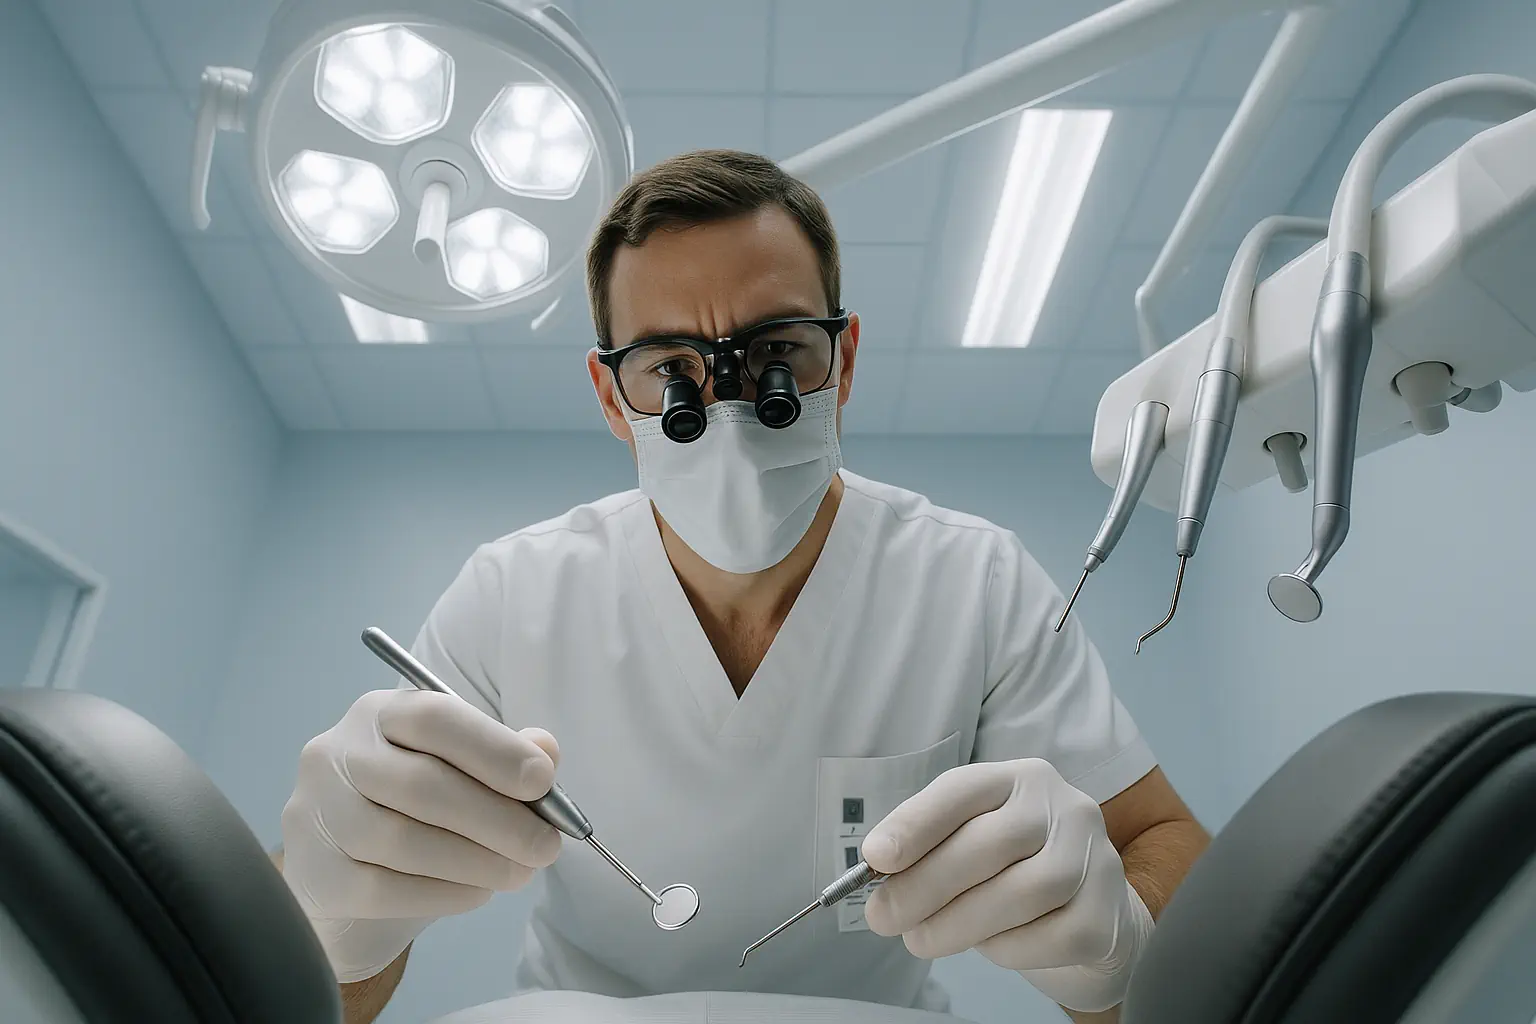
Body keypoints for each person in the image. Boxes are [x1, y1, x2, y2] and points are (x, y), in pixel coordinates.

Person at [277, 149, 1211, 1024]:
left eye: (777, 357)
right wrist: (329, 927)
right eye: (671, 371)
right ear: (612, 398)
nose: (726, 411)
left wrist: (1122, 954)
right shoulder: (513, 595)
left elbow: (1162, 837)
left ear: (840, 363)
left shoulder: (974, 581)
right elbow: (335, 989)